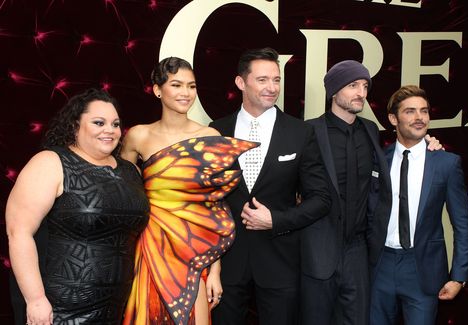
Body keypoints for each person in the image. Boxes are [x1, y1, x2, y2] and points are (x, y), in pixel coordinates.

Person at [302, 61, 442, 325]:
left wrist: (426, 143)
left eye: (365, 86)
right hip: (318, 251)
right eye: (353, 86)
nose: (361, 93)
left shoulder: (370, 130)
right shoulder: (309, 130)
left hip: (358, 253)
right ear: (334, 91)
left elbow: (396, 157)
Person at [120, 57, 256, 325]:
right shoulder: (137, 136)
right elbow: (123, 191)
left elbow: (216, 208)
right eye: (176, 84)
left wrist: (215, 271)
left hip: (194, 250)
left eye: (191, 86)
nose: (185, 93)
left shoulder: (209, 135)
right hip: (150, 246)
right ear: (157, 90)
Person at [6, 88, 150, 325]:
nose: (109, 130)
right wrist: (35, 299)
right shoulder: (50, 163)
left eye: (115, 124)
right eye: (98, 122)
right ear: (75, 125)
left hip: (117, 308)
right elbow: (18, 232)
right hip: (58, 308)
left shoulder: (131, 172)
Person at [209, 47, 331, 325]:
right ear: (241, 82)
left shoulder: (300, 132)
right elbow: (207, 198)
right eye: (263, 80)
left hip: (280, 261)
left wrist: (276, 219)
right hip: (227, 261)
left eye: (276, 80)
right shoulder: (216, 131)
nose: (272, 87)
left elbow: (321, 199)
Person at [368, 85, 468, 325]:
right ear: (393, 119)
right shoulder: (377, 160)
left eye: (424, 111)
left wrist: (458, 276)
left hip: (423, 269)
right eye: (410, 111)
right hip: (379, 266)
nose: (419, 118)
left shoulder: (446, 163)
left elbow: (463, 223)